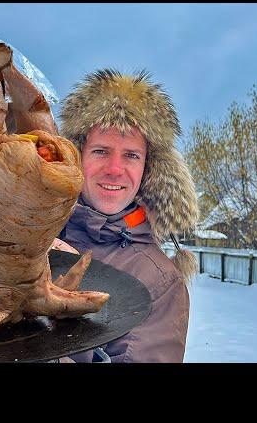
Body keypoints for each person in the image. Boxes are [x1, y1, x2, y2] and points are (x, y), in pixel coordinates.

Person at [54, 68, 200, 363]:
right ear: (76, 155)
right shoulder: (30, 233)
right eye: (100, 151)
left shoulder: (157, 281)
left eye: (131, 155)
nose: (115, 169)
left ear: (149, 170)